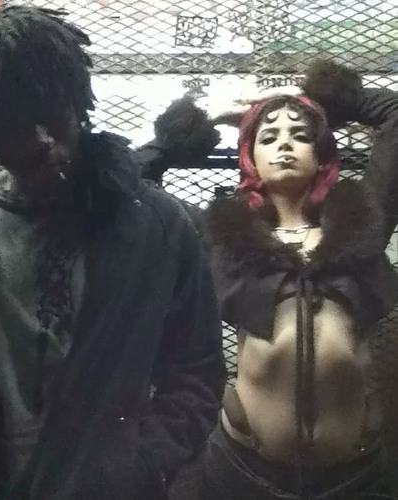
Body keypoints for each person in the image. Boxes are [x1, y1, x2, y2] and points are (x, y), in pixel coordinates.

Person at [0, 6, 225, 499]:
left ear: (77, 103)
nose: (42, 141)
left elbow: (197, 369)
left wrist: (138, 464)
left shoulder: (153, 223)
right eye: (14, 125)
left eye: (53, 115)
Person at [144, 60, 398, 499]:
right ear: (250, 157)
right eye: (268, 136)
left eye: (301, 135)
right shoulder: (224, 237)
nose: (284, 144)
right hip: (241, 471)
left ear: (321, 154)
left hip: (356, 476)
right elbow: (129, 185)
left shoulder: (362, 223)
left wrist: (323, 102)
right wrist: (200, 123)